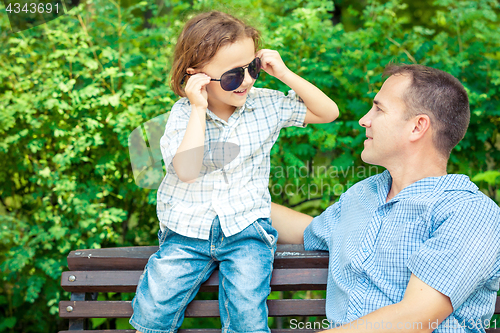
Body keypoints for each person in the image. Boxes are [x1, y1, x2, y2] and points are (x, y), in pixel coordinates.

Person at [129, 11, 339, 333]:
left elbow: (328, 112)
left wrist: (283, 74)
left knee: (247, 313)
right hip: (186, 233)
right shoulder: (182, 116)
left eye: (251, 68)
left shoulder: (266, 104)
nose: (247, 81)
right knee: (154, 307)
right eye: (232, 77)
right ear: (196, 77)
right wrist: (198, 107)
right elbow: (186, 170)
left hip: (246, 231)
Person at [272, 64, 500, 332]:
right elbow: (309, 231)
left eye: (378, 109)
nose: (364, 120)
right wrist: (227, 198)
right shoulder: (363, 195)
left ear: (417, 127)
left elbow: (413, 319)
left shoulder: (469, 213)